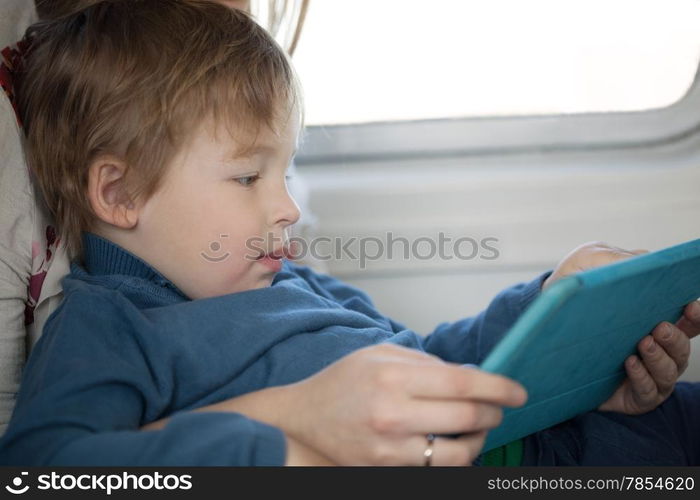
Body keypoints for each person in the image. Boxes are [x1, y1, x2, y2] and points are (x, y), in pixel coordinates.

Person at [0, 0, 698, 466]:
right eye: (248, 178)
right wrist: (284, 426)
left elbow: (424, 361)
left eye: (286, 173)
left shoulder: (290, 280)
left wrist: (555, 317)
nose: (287, 208)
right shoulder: (110, 327)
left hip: (571, 429)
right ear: (119, 193)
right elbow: (47, 466)